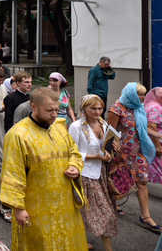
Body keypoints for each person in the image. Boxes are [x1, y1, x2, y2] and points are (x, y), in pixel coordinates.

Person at [0, 87, 86, 250]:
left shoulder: (59, 128)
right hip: (35, 208)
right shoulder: (18, 135)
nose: (54, 115)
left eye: (56, 110)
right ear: (33, 107)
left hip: (65, 203)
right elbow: (13, 174)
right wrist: (19, 208)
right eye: (49, 110)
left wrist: (74, 165)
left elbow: (73, 151)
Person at [107, 82, 159, 233]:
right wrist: (113, 151)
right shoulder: (117, 109)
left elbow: (143, 127)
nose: (142, 98)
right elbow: (110, 132)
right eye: (139, 95)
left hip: (138, 152)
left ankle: (145, 216)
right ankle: (112, 204)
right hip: (121, 155)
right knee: (117, 181)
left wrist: (158, 135)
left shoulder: (138, 107)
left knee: (142, 182)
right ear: (130, 94)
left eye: (144, 94)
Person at [69, 95, 118, 251]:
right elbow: (70, 152)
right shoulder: (76, 126)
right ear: (84, 109)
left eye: (100, 108)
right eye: (93, 108)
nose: (97, 112)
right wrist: (95, 156)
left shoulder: (103, 124)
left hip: (100, 172)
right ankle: (107, 248)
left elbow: (105, 148)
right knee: (104, 212)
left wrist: (111, 151)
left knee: (89, 211)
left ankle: (80, 241)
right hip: (84, 174)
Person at [145, 87, 162, 184]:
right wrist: (157, 146)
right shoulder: (156, 108)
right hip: (158, 141)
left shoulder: (149, 105)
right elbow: (152, 126)